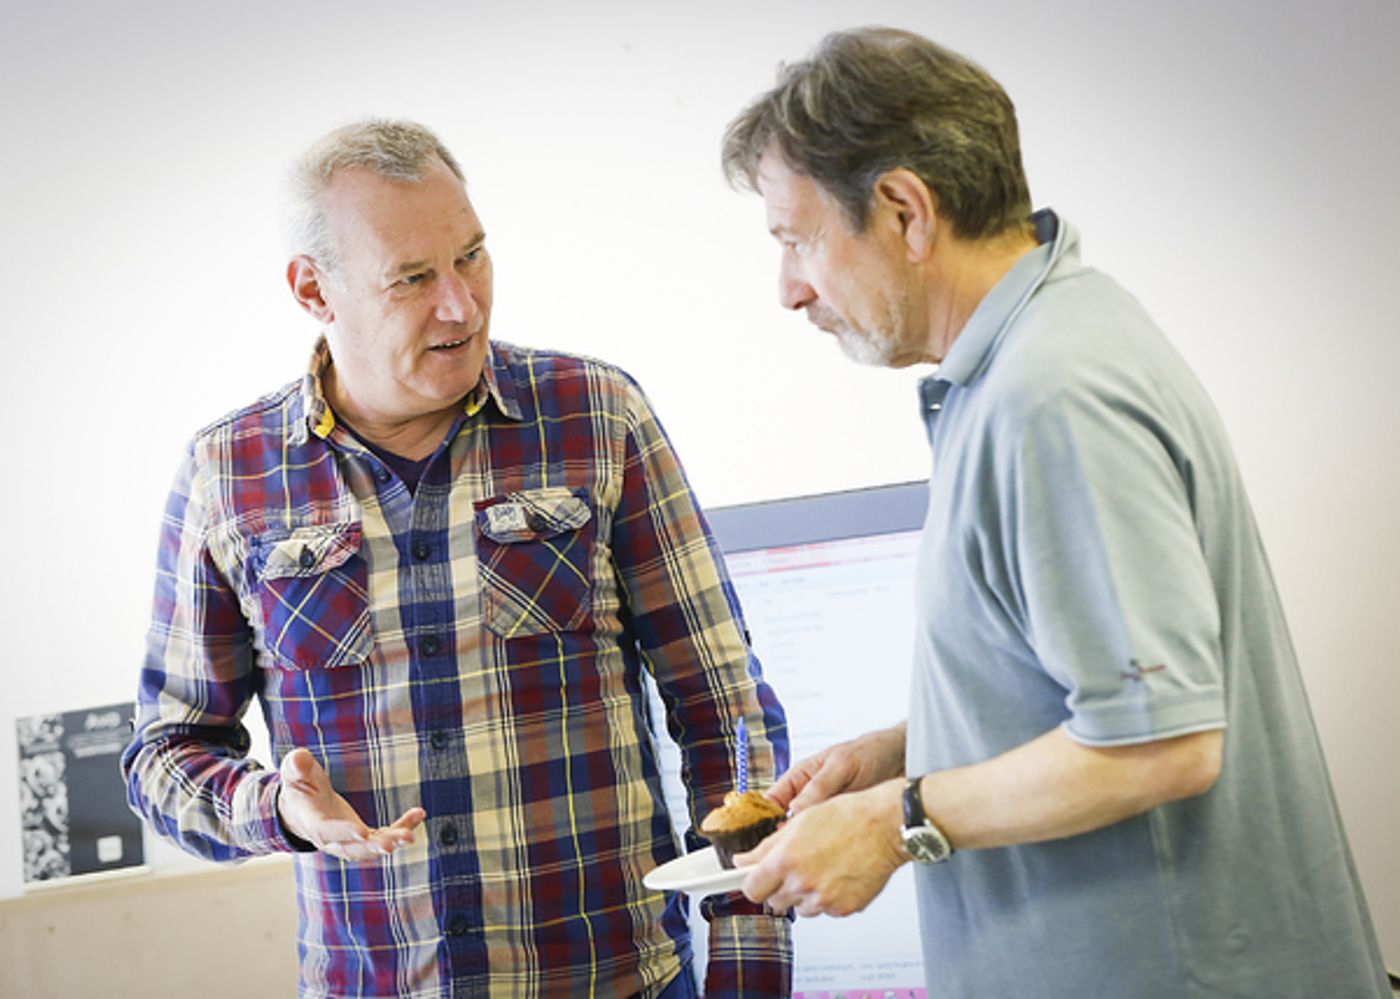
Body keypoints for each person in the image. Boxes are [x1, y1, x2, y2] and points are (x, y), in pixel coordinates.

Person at [719, 27, 1392, 998]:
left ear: (904, 211)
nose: (788, 290)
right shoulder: (1048, 344)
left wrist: (892, 820)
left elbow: (1160, 746)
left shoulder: (1051, 394)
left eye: (795, 239)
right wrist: (907, 753)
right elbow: (1097, 684)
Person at [122, 118, 792, 998]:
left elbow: (725, 713)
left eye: (472, 257)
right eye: (412, 279)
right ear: (313, 290)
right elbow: (164, 755)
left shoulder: (598, 416)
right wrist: (275, 807)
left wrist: (749, 976)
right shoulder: (229, 472)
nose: (461, 304)